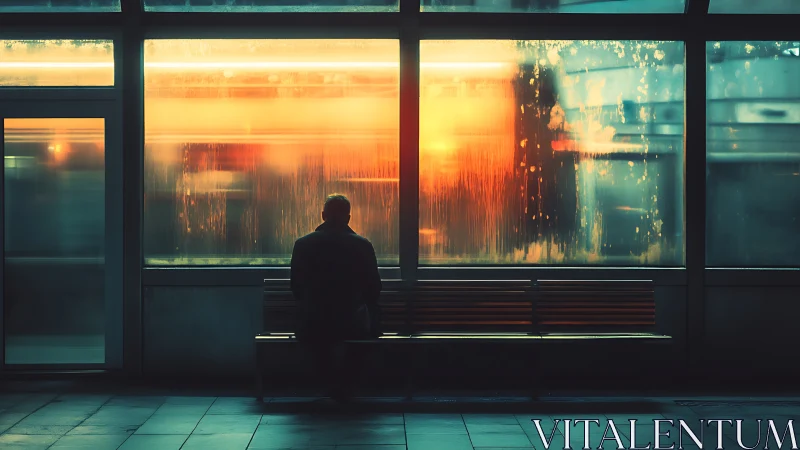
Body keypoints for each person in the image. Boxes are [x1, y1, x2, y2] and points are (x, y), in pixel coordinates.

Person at [290, 194, 382, 400]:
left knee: (318, 340)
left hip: (313, 322)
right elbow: (374, 289)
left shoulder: (303, 245)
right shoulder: (362, 245)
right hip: (353, 322)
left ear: (323, 215)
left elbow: (296, 287)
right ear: (348, 218)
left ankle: (328, 384)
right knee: (361, 336)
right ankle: (346, 384)